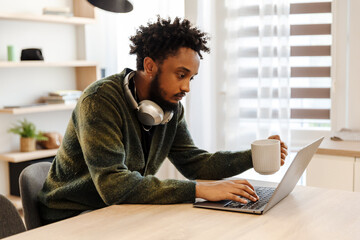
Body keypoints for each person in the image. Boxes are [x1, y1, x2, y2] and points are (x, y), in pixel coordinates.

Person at [38, 16, 288, 224]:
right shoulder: (100, 101)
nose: (187, 87)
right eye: (181, 75)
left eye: (191, 78)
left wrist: (253, 157)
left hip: (118, 210)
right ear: (149, 66)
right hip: (71, 218)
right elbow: (113, 185)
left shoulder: (170, 108)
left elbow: (195, 164)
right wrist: (199, 190)